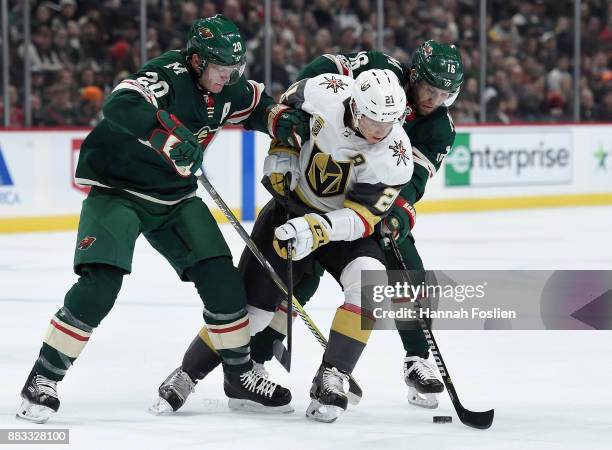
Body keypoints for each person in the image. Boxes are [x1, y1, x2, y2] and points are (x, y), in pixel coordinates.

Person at [16, 14, 309, 424]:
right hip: (119, 190)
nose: (227, 78)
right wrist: (167, 138)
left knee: (222, 278)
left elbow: (257, 105)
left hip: (175, 198)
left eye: (233, 69)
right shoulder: (166, 75)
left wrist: (281, 120)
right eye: (220, 69)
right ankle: (43, 378)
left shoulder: (228, 85)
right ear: (195, 60)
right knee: (101, 282)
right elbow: (119, 104)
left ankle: (240, 374)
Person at [151, 69, 412, 423]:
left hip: (343, 230)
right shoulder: (323, 92)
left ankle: (332, 376)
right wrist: (282, 153)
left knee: (370, 284)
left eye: (388, 123)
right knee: (252, 313)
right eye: (372, 121)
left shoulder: (395, 155)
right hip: (290, 210)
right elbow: (284, 116)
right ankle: (186, 374)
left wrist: (317, 229)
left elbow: (362, 219)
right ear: (354, 104)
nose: (379, 132)